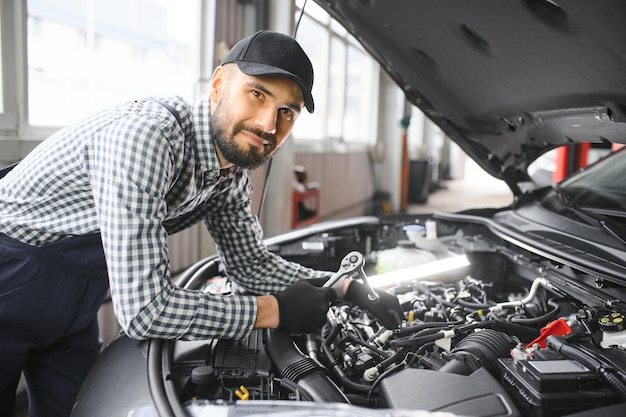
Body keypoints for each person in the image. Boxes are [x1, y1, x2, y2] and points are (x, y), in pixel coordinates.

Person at [0, 30, 401, 417]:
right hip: (10, 274)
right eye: (257, 94)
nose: (268, 124)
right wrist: (271, 311)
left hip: (77, 294)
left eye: (286, 112)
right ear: (217, 85)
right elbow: (144, 311)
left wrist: (341, 287)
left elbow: (251, 265)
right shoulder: (148, 138)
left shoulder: (230, 174)